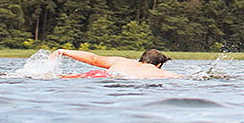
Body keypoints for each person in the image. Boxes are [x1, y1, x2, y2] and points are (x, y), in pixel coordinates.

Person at [51, 47, 184, 79]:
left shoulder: (121, 61)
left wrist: (63, 51)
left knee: (66, 76)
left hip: (99, 74)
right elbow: (182, 78)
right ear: (159, 64)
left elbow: (93, 59)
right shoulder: (159, 72)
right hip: (117, 79)